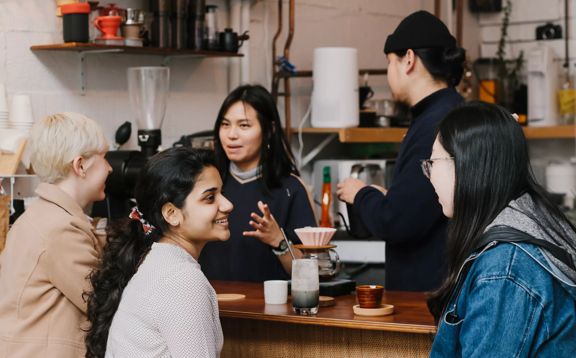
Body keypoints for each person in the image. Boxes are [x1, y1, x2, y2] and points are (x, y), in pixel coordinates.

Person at [426, 102, 576, 356]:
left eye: (432, 163)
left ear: (465, 164)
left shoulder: (505, 269)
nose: (429, 176)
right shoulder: (527, 224)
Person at [336, 10, 465, 291]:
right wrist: (388, 197)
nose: (389, 73)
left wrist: (361, 193)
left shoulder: (434, 125)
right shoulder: (452, 111)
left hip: (428, 293)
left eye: (389, 63)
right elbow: (425, 205)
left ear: (408, 59)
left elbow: (397, 223)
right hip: (445, 285)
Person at [85, 147, 232, 358]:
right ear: (172, 214)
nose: (228, 205)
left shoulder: (160, 263)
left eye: (222, 193)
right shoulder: (182, 280)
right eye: (210, 198)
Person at [0, 112, 111, 357]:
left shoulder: (42, 217)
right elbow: (103, 300)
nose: (110, 168)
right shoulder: (60, 229)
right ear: (80, 165)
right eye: (105, 158)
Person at [199, 84, 317, 282]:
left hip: (268, 310)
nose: (231, 135)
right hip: (209, 307)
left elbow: (309, 276)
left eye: (244, 125)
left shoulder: (290, 188)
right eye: (225, 124)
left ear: (269, 130)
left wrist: (278, 241)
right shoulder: (205, 185)